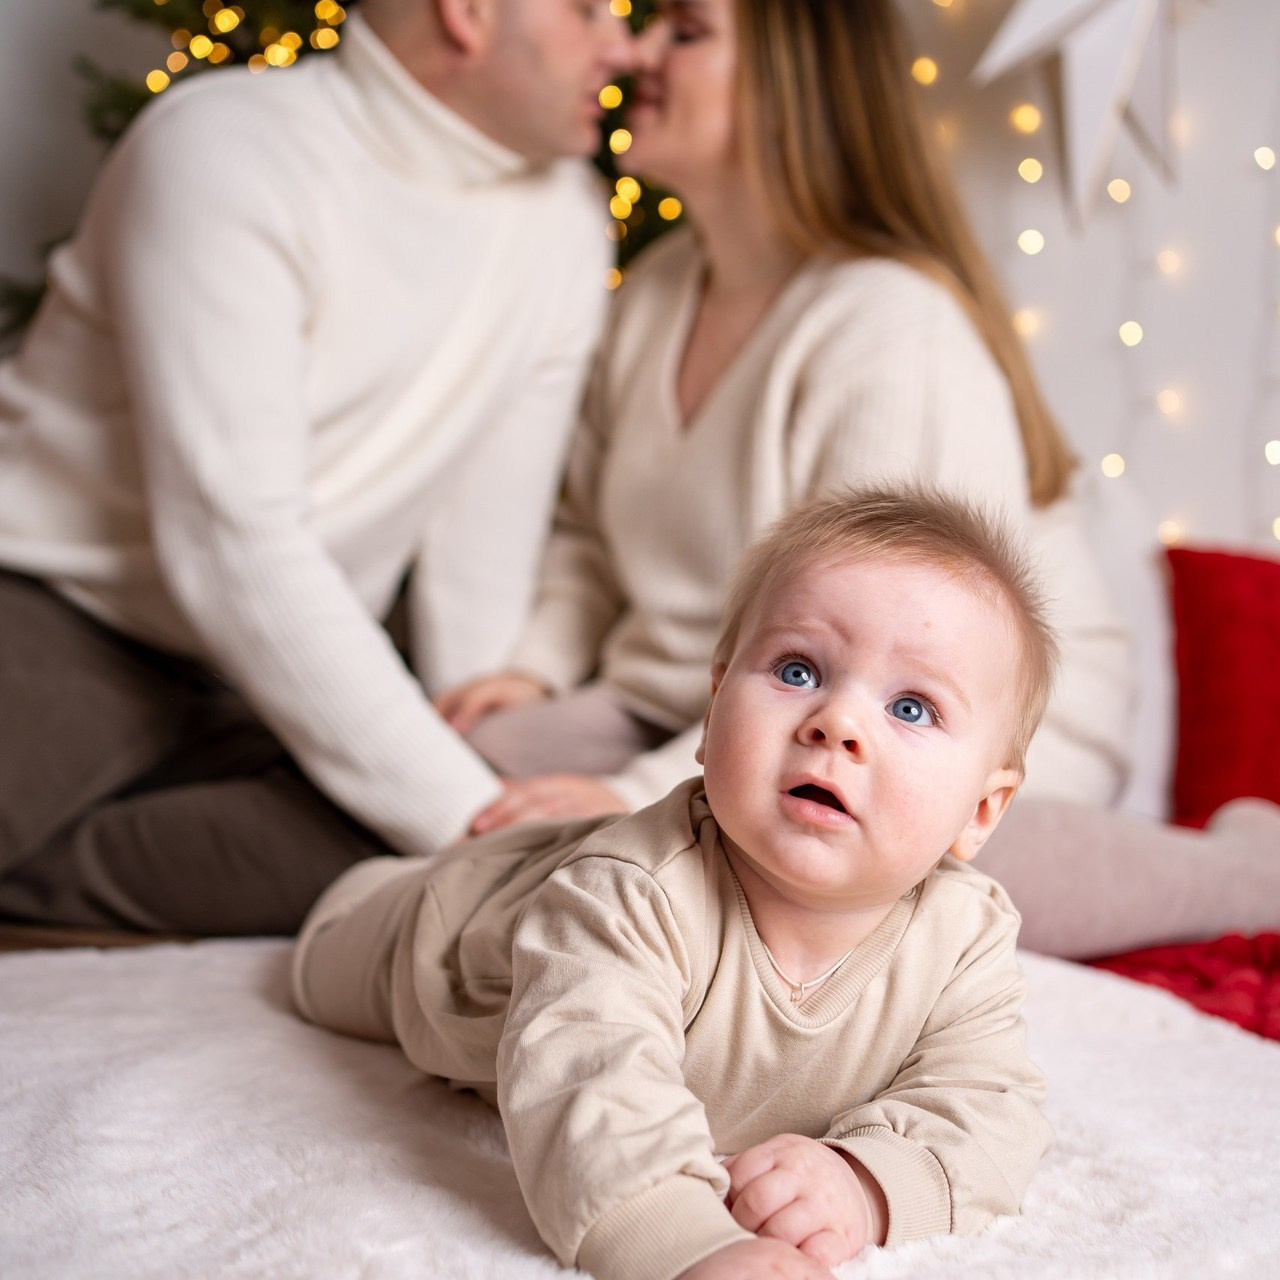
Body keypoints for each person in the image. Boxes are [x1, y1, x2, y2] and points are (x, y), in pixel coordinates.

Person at [438, 0, 1280, 959]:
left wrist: (631, 801)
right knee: (470, 777)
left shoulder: (888, 325)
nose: (633, 53)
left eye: (685, 31)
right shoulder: (659, 292)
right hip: (713, 701)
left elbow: (890, 650)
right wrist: (535, 667)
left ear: (789, 87)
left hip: (930, 724)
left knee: (911, 887)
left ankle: (1249, 870)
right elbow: (587, 534)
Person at [293, 487, 1056, 1280]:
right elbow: (589, 1087)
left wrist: (864, 1186)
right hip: (455, 929)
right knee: (320, 964)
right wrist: (692, 1244)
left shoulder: (964, 942)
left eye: (911, 706)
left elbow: (991, 1114)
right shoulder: (626, 898)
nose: (838, 724)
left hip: (573, 868)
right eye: (798, 670)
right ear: (714, 706)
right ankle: (364, 884)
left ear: (983, 810)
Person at [0, 0, 634, 935]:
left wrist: (477, 762)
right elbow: (233, 542)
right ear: (468, 13)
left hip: (275, 666)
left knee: (386, 854)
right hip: (66, 613)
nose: (622, 47)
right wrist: (472, 825)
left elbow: (480, 539)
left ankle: (45, 887)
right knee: (433, 827)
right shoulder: (227, 148)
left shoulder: (571, 218)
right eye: (588, 10)